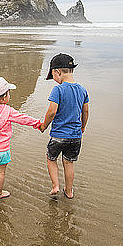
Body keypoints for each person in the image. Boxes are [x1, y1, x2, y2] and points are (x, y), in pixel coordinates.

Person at [40, 53, 89, 199]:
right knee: (68, 163)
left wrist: (44, 125)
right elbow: (85, 111)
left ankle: (55, 185)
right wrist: (83, 127)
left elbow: (52, 111)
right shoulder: (82, 90)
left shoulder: (58, 90)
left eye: (53, 76)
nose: (54, 80)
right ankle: (69, 191)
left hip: (58, 135)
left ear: (57, 72)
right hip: (75, 136)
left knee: (51, 158)